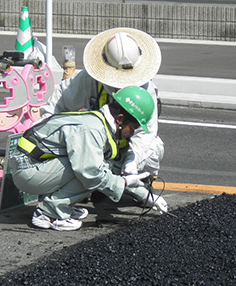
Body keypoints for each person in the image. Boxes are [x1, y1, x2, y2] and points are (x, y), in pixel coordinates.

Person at [41, 28, 168, 213]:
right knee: (85, 165)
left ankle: (139, 182)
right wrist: (44, 135)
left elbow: (146, 132)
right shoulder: (89, 81)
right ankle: (97, 185)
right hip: (97, 149)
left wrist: (132, 161)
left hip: (124, 148)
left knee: (154, 148)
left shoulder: (146, 90)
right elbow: (58, 103)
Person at [11, 86, 155, 231]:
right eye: (132, 128)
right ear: (120, 119)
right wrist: (123, 182)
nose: (131, 133)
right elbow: (91, 173)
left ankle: (63, 206)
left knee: (98, 166)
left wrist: (146, 196)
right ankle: (49, 213)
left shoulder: (98, 123)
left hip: (37, 167)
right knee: (92, 171)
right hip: (28, 173)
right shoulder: (92, 129)